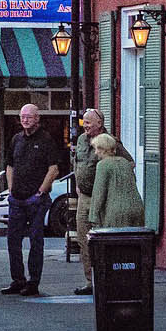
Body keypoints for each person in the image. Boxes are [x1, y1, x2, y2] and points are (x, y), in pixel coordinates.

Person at [2, 102, 66, 295]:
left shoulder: (46, 140)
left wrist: (40, 192)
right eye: (22, 116)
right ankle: (18, 280)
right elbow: (9, 166)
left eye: (29, 116)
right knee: (13, 240)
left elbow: (53, 169)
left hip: (36, 200)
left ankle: (33, 282)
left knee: (36, 240)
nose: (25, 119)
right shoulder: (16, 139)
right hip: (17, 199)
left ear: (37, 118)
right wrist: (11, 189)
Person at [70, 108, 106, 296]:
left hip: (100, 198)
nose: (86, 126)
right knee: (83, 239)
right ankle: (90, 281)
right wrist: (77, 183)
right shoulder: (82, 140)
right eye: (84, 122)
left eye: (89, 122)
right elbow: (76, 162)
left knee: (100, 238)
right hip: (83, 196)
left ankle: (104, 280)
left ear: (99, 123)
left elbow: (128, 163)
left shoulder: (109, 142)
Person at [87, 134, 144, 227]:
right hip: (137, 208)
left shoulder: (102, 165)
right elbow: (133, 180)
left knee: (116, 240)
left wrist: (93, 217)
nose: (95, 152)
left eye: (97, 149)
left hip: (116, 212)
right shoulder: (124, 162)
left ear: (103, 149)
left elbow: (99, 192)